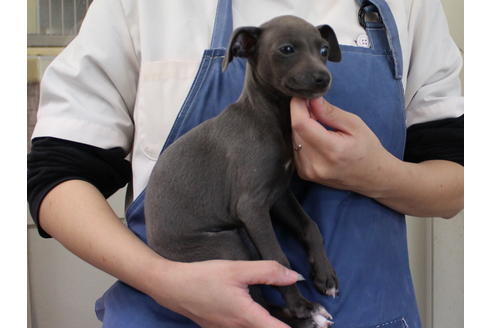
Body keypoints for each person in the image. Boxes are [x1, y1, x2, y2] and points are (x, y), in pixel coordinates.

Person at [27, 0, 464, 327]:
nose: (316, 67)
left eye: (320, 51)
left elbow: (460, 178)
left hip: (370, 312)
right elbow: (56, 173)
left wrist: (374, 174)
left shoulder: (410, 5)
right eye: (290, 50)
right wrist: (162, 279)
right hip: (176, 313)